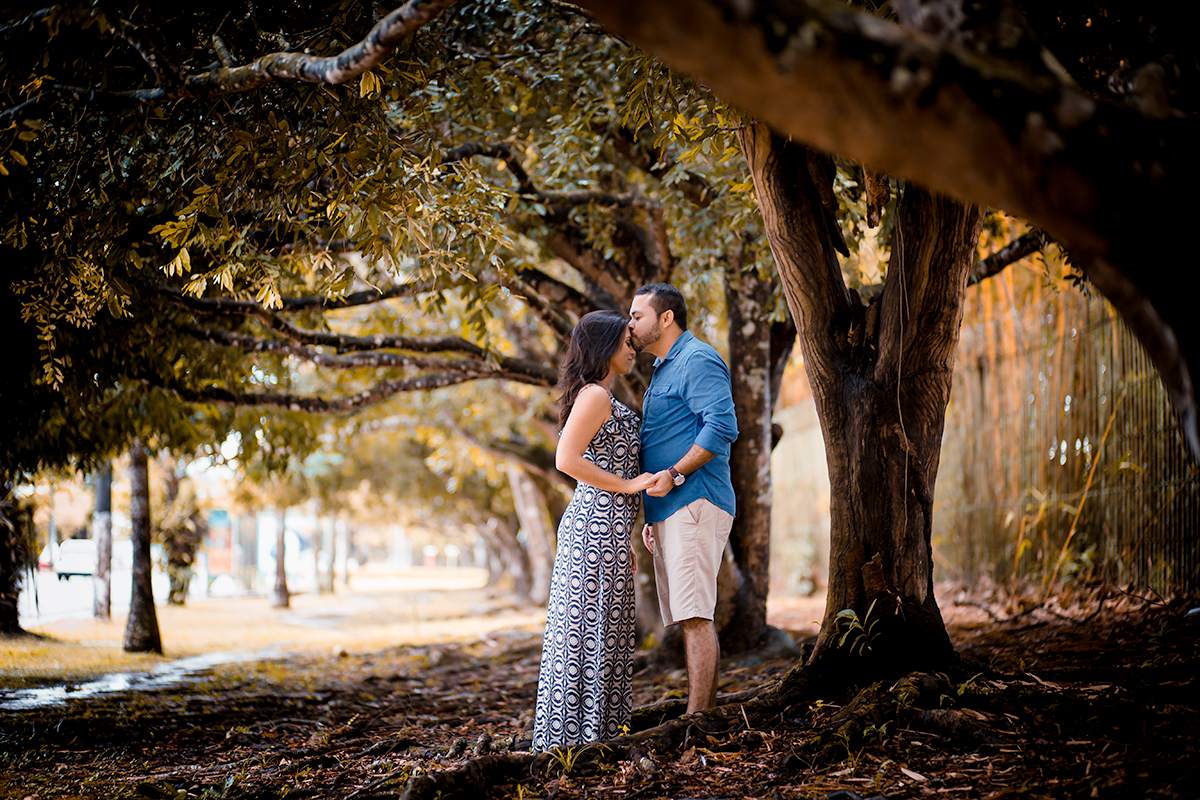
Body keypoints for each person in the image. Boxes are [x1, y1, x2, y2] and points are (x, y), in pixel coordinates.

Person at [532, 310, 657, 751]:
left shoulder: (601, 395)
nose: (631, 348)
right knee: (589, 633)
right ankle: (577, 742)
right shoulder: (595, 396)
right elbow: (565, 459)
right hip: (594, 528)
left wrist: (630, 531)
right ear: (604, 346)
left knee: (605, 631)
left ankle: (596, 737)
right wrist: (629, 486)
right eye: (624, 341)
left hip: (608, 530)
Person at [628, 283, 738, 714]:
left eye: (637, 316)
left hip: (695, 500)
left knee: (695, 616)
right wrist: (653, 516)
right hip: (672, 508)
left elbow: (721, 426)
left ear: (666, 317)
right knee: (689, 616)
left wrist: (674, 476)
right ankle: (700, 715)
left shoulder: (696, 359)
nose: (630, 324)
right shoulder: (663, 369)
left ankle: (698, 720)